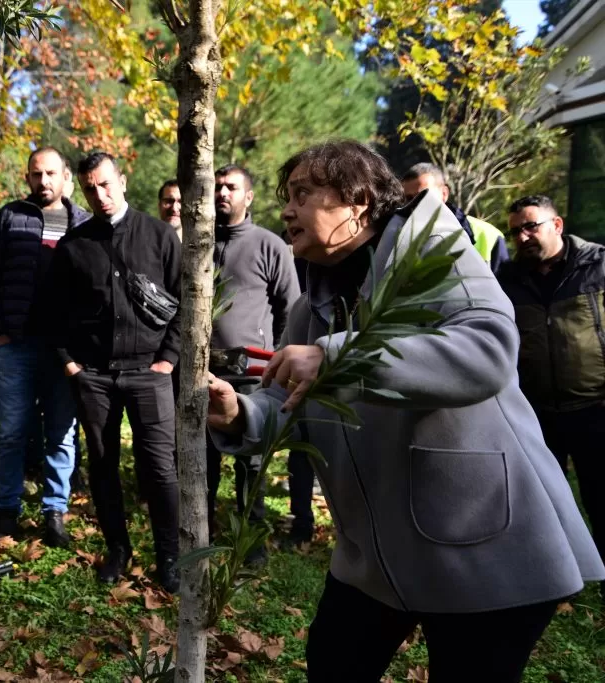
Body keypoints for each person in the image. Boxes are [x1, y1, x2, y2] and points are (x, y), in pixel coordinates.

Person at [207, 140, 604, 681]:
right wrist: (241, 415)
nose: (288, 210)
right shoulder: (309, 305)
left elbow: (487, 351)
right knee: (333, 665)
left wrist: (336, 355)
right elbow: (286, 397)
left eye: (303, 194)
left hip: (480, 544)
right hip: (373, 553)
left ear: (359, 201)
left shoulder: (434, 254)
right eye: (287, 197)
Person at [46, 151, 181, 593]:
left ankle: (169, 557)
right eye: (90, 189)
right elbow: (54, 311)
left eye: (106, 185)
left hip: (150, 372)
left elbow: (188, 302)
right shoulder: (73, 245)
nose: (100, 195)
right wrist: (70, 363)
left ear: (122, 180)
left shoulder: (159, 236)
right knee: (103, 465)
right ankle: (118, 549)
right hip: (95, 377)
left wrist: (168, 361)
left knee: (159, 467)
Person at [0, 147, 90, 546]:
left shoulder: (84, 224)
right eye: (36, 174)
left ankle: (54, 511)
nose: (44, 181)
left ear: (65, 177)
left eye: (51, 174)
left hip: (64, 350)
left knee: (62, 432)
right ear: (27, 178)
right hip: (17, 344)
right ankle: (6, 508)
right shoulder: (10, 217)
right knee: (11, 432)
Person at [497, 194, 605, 588]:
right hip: (537, 411)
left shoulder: (598, 264)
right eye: (516, 231)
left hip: (595, 407)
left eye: (531, 226)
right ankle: (555, 575)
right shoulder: (508, 278)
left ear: (556, 225)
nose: (522, 236)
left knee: (600, 495)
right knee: (544, 500)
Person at [208, 165, 308, 554]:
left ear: (248, 197)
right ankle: (205, 532)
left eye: (231, 187)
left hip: (253, 373)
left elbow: (291, 309)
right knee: (204, 459)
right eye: (217, 186)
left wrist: (276, 363)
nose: (222, 193)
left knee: (251, 464)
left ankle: (251, 542)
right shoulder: (197, 243)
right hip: (205, 371)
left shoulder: (270, 245)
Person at [402, 162, 509, 272]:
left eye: (423, 196)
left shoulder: (488, 235)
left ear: (444, 193)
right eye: (409, 199)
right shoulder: (398, 237)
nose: (415, 205)